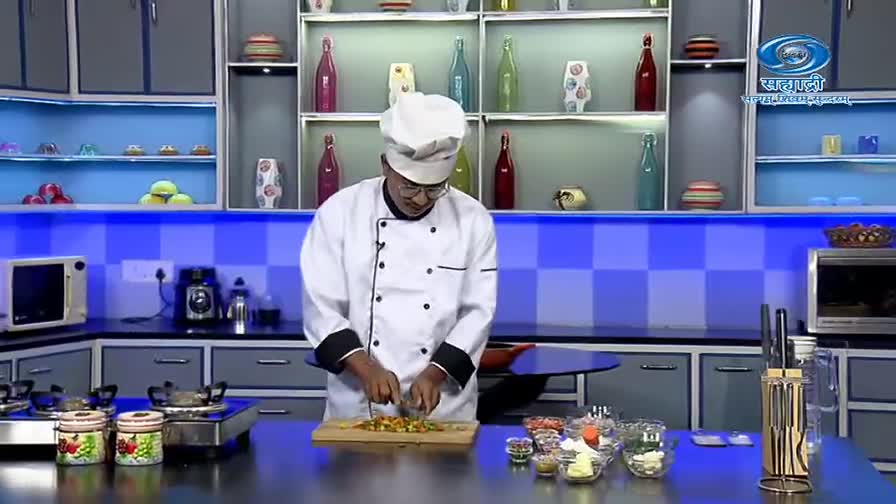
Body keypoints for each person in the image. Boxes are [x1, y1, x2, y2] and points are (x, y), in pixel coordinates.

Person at [300, 92, 498, 421]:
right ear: (385, 165)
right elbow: (321, 308)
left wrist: (435, 373)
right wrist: (366, 370)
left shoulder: (473, 219)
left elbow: (478, 312)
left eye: (435, 188)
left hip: (444, 407)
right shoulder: (340, 213)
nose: (421, 199)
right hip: (358, 407)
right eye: (409, 186)